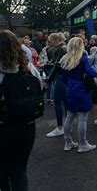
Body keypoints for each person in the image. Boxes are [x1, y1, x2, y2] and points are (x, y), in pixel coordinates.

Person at [0, 30, 42, 191]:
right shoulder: (29, 68)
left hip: (3, 126)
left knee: (3, 171)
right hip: (26, 126)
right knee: (19, 170)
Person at [60, 37, 97, 153]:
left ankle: (68, 142)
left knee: (69, 117)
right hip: (82, 89)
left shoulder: (65, 58)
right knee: (82, 118)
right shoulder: (83, 58)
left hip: (70, 89)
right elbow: (92, 72)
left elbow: (63, 77)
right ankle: (82, 144)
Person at [46, 33, 68, 138]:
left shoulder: (60, 49)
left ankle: (59, 127)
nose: (50, 44)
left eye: (51, 41)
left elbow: (56, 65)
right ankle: (67, 126)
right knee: (66, 103)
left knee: (58, 102)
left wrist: (48, 79)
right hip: (66, 78)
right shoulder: (66, 48)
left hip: (59, 78)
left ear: (55, 40)